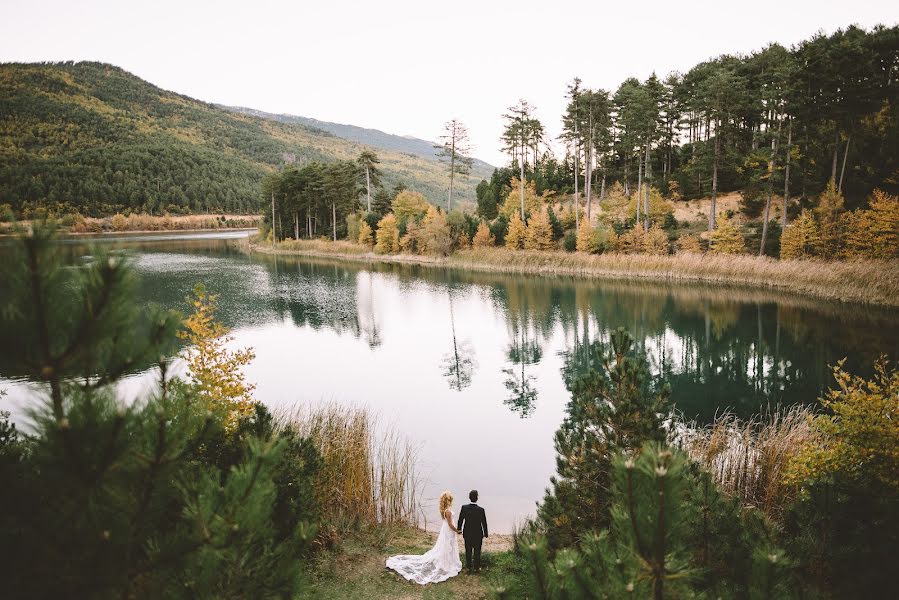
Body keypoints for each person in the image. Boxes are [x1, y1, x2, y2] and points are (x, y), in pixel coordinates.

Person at [385, 490, 462, 584]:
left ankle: (447, 561)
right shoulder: (448, 512)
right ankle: (447, 563)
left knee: (446, 545)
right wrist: (457, 530)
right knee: (448, 545)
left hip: (445, 529)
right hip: (448, 530)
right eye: (451, 499)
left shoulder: (443, 510)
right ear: (449, 500)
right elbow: (450, 524)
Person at [456, 489, 488, 573]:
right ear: (477, 498)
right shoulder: (481, 510)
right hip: (478, 533)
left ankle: (469, 567)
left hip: (467, 532)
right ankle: (477, 567)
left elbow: (460, 520)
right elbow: (484, 522)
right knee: (477, 550)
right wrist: (486, 533)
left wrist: (459, 529)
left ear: (469, 497)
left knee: (468, 550)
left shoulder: (464, 508)